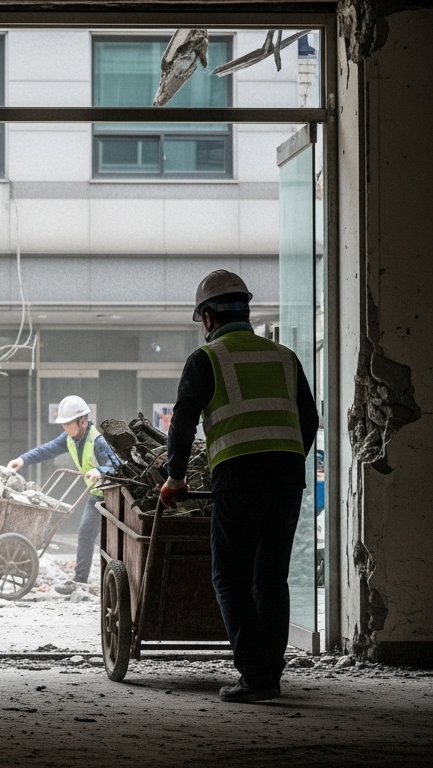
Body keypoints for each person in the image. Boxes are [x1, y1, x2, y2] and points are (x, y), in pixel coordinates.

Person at [161, 269, 318, 703]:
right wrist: (286, 459)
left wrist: (175, 478)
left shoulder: (207, 359)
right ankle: (271, 671)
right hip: (287, 476)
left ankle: (255, 676)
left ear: (209, 317)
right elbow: (308, 420)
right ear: (245, 311)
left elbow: (183, 422)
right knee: (272, 578)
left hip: (238, 476)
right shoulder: (285, 357)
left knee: (230, 577)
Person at [6, 395, 118, 595]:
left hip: (115, 496)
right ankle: (80, 580)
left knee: (112, 540)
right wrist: (22, 460)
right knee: (85, 533)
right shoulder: (70, 438)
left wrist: (100, 470)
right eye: (63, 424)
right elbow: (47, 450)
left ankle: (115, 579)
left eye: (68, 424)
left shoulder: (97, 440)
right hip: (96, 494)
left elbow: (117, 464)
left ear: (82, 421)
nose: (64, 428)